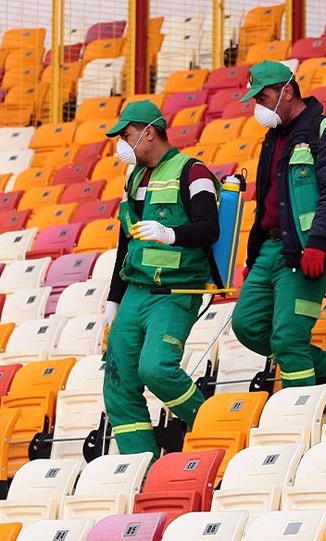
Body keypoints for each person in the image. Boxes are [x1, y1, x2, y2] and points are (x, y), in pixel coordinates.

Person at [102, 100, 220, 457]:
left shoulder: (193, 172)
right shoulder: (135, 178)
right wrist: (112, 301)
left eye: (127, 136)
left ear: (149, 132)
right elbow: (126, 242)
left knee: (156, 369)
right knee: (118, 382)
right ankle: (141, 467)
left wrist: (170, 233)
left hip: (175, 291)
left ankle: (214, 428)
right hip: (136, 291)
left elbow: (209, 228)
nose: (122, 145)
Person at [230, 60, 326, 395]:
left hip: (305, 250)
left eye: (263, 98)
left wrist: (318, 244)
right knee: (246, 325)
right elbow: (268, 202)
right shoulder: (272, 139)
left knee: (287, 338)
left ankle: (298, 417)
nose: (258, 106)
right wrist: (252, 257)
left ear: (287, 91)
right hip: (270, 250)